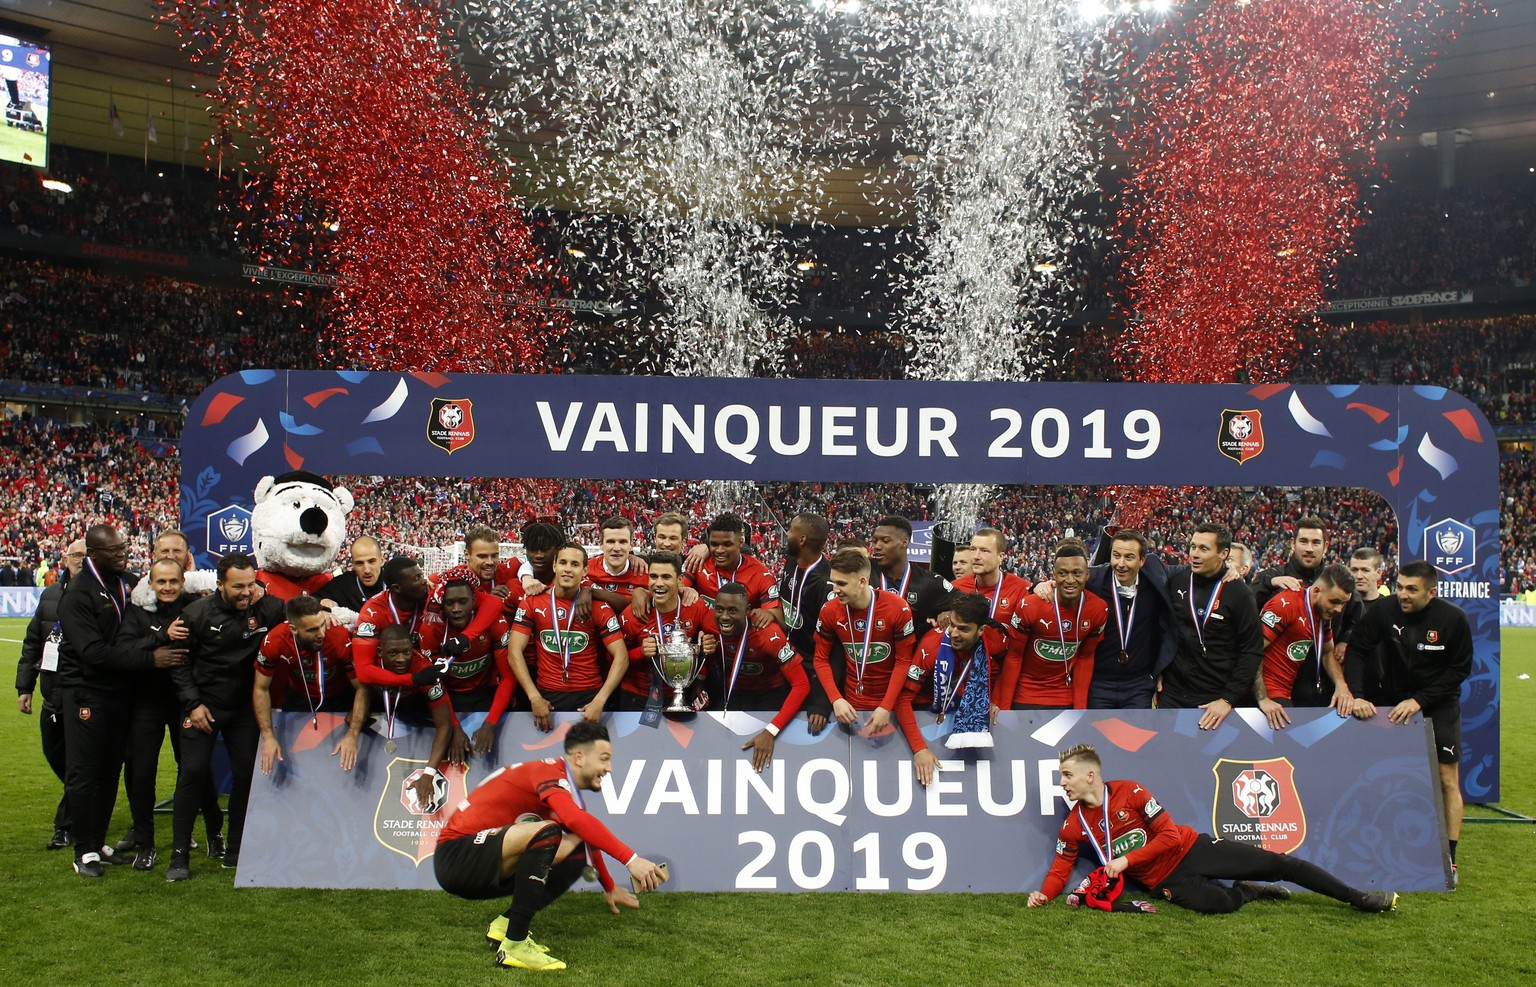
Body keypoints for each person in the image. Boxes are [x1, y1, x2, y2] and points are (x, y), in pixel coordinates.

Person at [1027, 743, 1398, 914]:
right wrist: (1044, 894)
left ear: (1090, 775)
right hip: (1165, 881)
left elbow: (1170, 835)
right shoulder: (1073, 826)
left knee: (1283, 864)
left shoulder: (1131, 790)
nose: (1062, 782)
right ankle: (1249, 892)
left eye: (1067, 775)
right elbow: (1061, 868)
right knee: (1219, 905)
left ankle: (1358, 898)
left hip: (1192, 848)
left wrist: (1126, 861)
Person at [432, 720, 667, 972]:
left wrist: (609, 887)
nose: (608, 768)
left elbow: (584, 834)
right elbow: (575, 819)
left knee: (575, 850)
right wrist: (632, 860)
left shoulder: (561, 786)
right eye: (604, 758)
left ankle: (506, 925)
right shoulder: (548, 771)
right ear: (579, 757)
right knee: (550, 831)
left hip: (479, 859)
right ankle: (515, 945)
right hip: (456, 857)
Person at [57, 524, 187, 877]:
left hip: (118, 692)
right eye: (115, 551)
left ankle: (97, 842)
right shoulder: (78, 594)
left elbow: (176, 580)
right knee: (85, 772)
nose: (123, 554)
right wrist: (150, 658)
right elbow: (93, 652)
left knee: (109, 771)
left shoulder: (123, 581)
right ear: (94, 555)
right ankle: (82, 850)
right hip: (86, 691)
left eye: (124, 548)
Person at [1345, 559, 1472, 887]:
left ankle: (1449, 858)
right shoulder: (1385, 611)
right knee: (1383, 773)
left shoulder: (1452, 620)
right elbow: (1358, 647)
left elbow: (1458, 670)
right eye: (1399, 586)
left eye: (1411, 589)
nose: (1402, 594)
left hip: (1438, 704)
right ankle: (1381, 845)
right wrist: (1357, 694)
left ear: (1431, 592)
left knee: (1446, 779)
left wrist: (1420, 701)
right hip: (1394, 701)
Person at [165, 552, 285, 881]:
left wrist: (326, 607)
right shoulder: (196, 614)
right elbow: (179, 663)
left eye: (251, 585)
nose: (247, 593)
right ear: (220, 585)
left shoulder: (268, 608)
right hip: (203, 706)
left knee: (246, 776)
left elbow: (301, 615)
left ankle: (235, 849)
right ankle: (179, 855)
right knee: (192, 772)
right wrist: (192, 704)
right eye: (238, 587)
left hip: (245, 710)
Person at [115, 559, 224, 870]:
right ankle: (145, 843)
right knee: (143, 773)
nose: (166, 587)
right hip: (147, 702)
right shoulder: (137, 611)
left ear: (182, 582)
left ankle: (214, 833)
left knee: (196, 770)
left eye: (172, 582)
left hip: (186, 703)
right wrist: (161, 637)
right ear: (151, 583)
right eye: (160, 582)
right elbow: (123, 652)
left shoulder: (195, 607)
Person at [509, 542, 628, 730]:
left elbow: (621, 656)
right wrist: (534, 697)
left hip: (589, 695)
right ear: (554, 566)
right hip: (546, 696)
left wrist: (600, 700)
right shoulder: (532, 602)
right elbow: (514, 651)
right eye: (563, 563)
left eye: (575, 564)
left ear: (585, 570)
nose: (567, 569)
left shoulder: (598, 607)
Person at [1159, 523, 1263, 730]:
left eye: (1204, 549)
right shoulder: (1177, 580)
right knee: (1169, 756)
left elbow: (1251, 650)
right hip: (1172, 694)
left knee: (1207, 759)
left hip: (1213, 699)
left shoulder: (1239, 594)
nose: (1194, 554)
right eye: (1192, 546)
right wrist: (1158, 670)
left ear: (1223, 553)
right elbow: (1163, 630)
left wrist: (1227, 699)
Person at [1250, 517, 1362, 708]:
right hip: (1277, 689)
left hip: (1320, 684)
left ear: (1325, 546)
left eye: (1316, 542)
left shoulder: (1335, 582)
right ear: (1293, 544)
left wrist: (1345, 640)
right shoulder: (1273, 578)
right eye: (1304, 541)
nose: (1309, 548)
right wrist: (1268, 583)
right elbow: (1245, 613)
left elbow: (1355, 617)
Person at [16, 537, 84, 851]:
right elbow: (33, 642)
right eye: (76, 555)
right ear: (65, 557)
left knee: (77, 763)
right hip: (51, 694)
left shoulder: (102, 594)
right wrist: (24, 686)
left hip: (84, 695)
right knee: (56, 755)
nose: (81, 559)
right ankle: (85, 796)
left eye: (87, 555)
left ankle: (65, 826)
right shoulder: (50, 594)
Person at [899, 592, 1008, 784]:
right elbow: (903, 699)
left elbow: (1010, 664)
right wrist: (919, 748)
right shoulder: (931, 646)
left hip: (966, 708)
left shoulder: (996, 641)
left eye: (964, 629)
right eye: (952, 625)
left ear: (981, 630)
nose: (954, 633)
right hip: (928, 712)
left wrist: (997, 699)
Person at [254, 594, 369, 774]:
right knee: (298, 763)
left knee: (340, 762)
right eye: (312, 630)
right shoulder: (274, 640)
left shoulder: (338, 636)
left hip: (339, 700)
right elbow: (260, 688)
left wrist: (353, 734)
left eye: (322, 624)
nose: (321, 633)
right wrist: (268, 737)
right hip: (299, 699)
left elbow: (362, 687)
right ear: (293, 628)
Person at [812, 547, 916, 730]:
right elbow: (820, 659)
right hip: (850, 707)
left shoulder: (897, 608)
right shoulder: (829, 610)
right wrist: (836, 699)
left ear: (862, 581)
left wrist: (886, 706)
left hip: (891, 706)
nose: (834, 589)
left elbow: (903, 661)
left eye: (841, 584)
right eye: (833, 582)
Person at [995, 543, 1108, 711]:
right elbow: (1014, 657)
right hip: (1027, 695)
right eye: (1063, 573)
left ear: (1087, 575)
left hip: (1065, 696)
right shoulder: (1030, 606)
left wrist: (1080, 709)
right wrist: (1004, 708)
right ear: (1053, 575)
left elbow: (1085, 659)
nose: (1070, 580)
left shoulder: (1098, 609)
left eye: (1077, 573)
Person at [709, 582, 809, 771]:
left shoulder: (768, 635)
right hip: (730, 696)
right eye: (719, 609)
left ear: (747, 610)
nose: (724, 617)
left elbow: (802, 684)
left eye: (732, 611)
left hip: (768, 697)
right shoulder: (709, 623)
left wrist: (772, 730)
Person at [417, 570, 517, 755]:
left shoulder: (494, 621)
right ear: (441, 604)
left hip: (485, 695)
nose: (456, 609)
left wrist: (490, 723)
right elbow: (433, 684)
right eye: (449, 603)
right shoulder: (431, 628)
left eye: (462, 601)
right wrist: (453, 726)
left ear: (474, 601)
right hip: (448, 699)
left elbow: (508, 677)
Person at [1253, 565, 1356, 728]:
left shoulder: (1323, 612)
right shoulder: (1285, 604)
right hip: (1271, 693)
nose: (1338, 609)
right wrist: (1262, 698)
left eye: (1343, 603)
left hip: (1288, 691)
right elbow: (1252, 650)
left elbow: (1328, 652)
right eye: (1335, 601)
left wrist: (1341, 685)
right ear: (1316, 591)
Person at [615, 552, 714, 712]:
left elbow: (708, 648)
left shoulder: (696, 607)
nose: (658, 583)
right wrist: (640, 652)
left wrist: (707, 647)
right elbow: (611, 657)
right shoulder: (633, 613)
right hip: (638, 697)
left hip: (682, 694)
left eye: (666, 577)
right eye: (653, 576)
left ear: (679, 580)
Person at [778, 513, 833, 734]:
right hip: (785, 662)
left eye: (790, 529)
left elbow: (831, 648)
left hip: (812, 670)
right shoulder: (792, 561)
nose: (786, 534)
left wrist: (821, 701)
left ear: (801, 539)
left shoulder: (825, 583)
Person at [684, 513, 782, 627]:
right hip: (705, 636)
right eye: (714, 544)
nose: (719, 550)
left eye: (727, 544)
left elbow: (779, 619)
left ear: (741, 541)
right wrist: (685, 590)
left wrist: (769, 614)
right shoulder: (698, 563)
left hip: (741, 639)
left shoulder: (761, 574)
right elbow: (675, 591)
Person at [870, 515, 952, 630]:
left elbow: (966, 604)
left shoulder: (927, 581)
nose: (877, 546)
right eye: (875, 541)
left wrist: (951, 613)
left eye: (885, 541)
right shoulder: (864, 570)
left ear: (904, 542)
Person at [952, 527, 1032, 629]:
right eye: (973, 549)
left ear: (1001, 557)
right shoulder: (956, 587)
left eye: (984, 551)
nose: (976, 556)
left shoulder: (1021, 590)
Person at [585, 516, 651, 616]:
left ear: (631, 545)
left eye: (623, 542)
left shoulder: (645, 573)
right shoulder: (585, 569)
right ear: (601, 545)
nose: (616, 548)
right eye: (611, 541)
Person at [317, 535, 384, 612]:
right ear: (353, 565)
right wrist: (322, 601)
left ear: (381, 561)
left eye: (371, 562)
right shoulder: (343, 584)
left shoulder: (395, 580)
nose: (367, 570)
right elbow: (311, 600)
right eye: (360, 563)